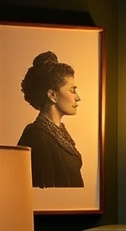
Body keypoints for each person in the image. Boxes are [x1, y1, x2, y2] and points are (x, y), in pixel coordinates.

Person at [17, 51, 84, 187]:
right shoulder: (37, 137)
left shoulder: (58, 132)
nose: (77, 97)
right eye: (72, 90)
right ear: (52, 95)